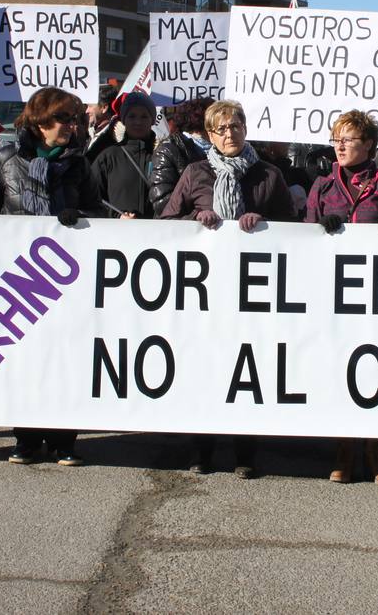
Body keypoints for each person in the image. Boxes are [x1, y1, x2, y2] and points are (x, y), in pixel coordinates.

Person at [0, 87, 94, 466]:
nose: (71, 126)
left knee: (65, 358)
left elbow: (95, 207)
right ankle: (27, 439)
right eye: (63, 119)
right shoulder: (7, 157)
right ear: (40, 122)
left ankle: (65, 439)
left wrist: (80, 217)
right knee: (25, 359)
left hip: (66, 276)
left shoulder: (79, 162)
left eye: (74, 119)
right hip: (20, 277)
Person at [162, 100, 296, 478]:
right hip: (205, 293)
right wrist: (194, 219)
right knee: (205, 365)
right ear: (209, 135)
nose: (229, 134)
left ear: (245, 128)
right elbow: (165, 222)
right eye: (220, 129)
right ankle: (202, 450)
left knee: (248, 369)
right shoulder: (194, 172)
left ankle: (245, 453)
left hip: (254, 293)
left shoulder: (269, 174)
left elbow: (295, 227)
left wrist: (265, 223)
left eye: (235, 126)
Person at [305, 110, 378, 486]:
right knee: (341, 367)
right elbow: (306, 240)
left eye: (348, 139)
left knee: (377, 368)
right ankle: (345, 448)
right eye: (336, 138)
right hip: (335, 294)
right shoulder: (322, 186)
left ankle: (376, 449)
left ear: (368, 144)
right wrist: (321, 230)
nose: (340, 145)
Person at [90, 91, 156, 218]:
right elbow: (92, 198)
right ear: (123, 120)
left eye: (144, 116)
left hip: (155, 235)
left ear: (152, 120)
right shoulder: (108, 156)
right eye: (132, 116)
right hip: (117, 234)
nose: (138, 122)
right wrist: (117, 216)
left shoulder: (163, 156)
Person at [150, 97, 213, 216]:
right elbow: (162, 202)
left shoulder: (222, 150)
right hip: (181, 228)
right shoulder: (168, 150)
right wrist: (197, 215)